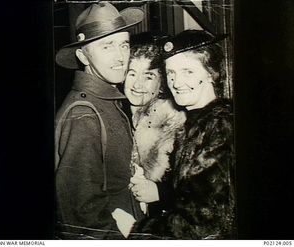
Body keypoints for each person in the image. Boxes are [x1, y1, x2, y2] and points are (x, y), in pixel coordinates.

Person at [54, 2, 145, 239]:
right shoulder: (84, 113)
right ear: (83, 55)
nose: (120, 57)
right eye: (107, 46)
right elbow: (82, 214)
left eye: (124, 44)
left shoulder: (106, 100)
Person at [134, 30, 236, 239]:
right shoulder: (197, 122)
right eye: (171, 73)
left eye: (188, 71)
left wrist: (137, 231)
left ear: (211, 73)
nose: (177, 82)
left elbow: (202, 221)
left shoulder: (221, 125)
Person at [123, 32, 186, 217]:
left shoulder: (174, 121)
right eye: (132, 73)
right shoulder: (116, 113)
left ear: (161, 84)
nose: (138, 84)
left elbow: (195, 188)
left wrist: (160, 192)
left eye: (149, 76)